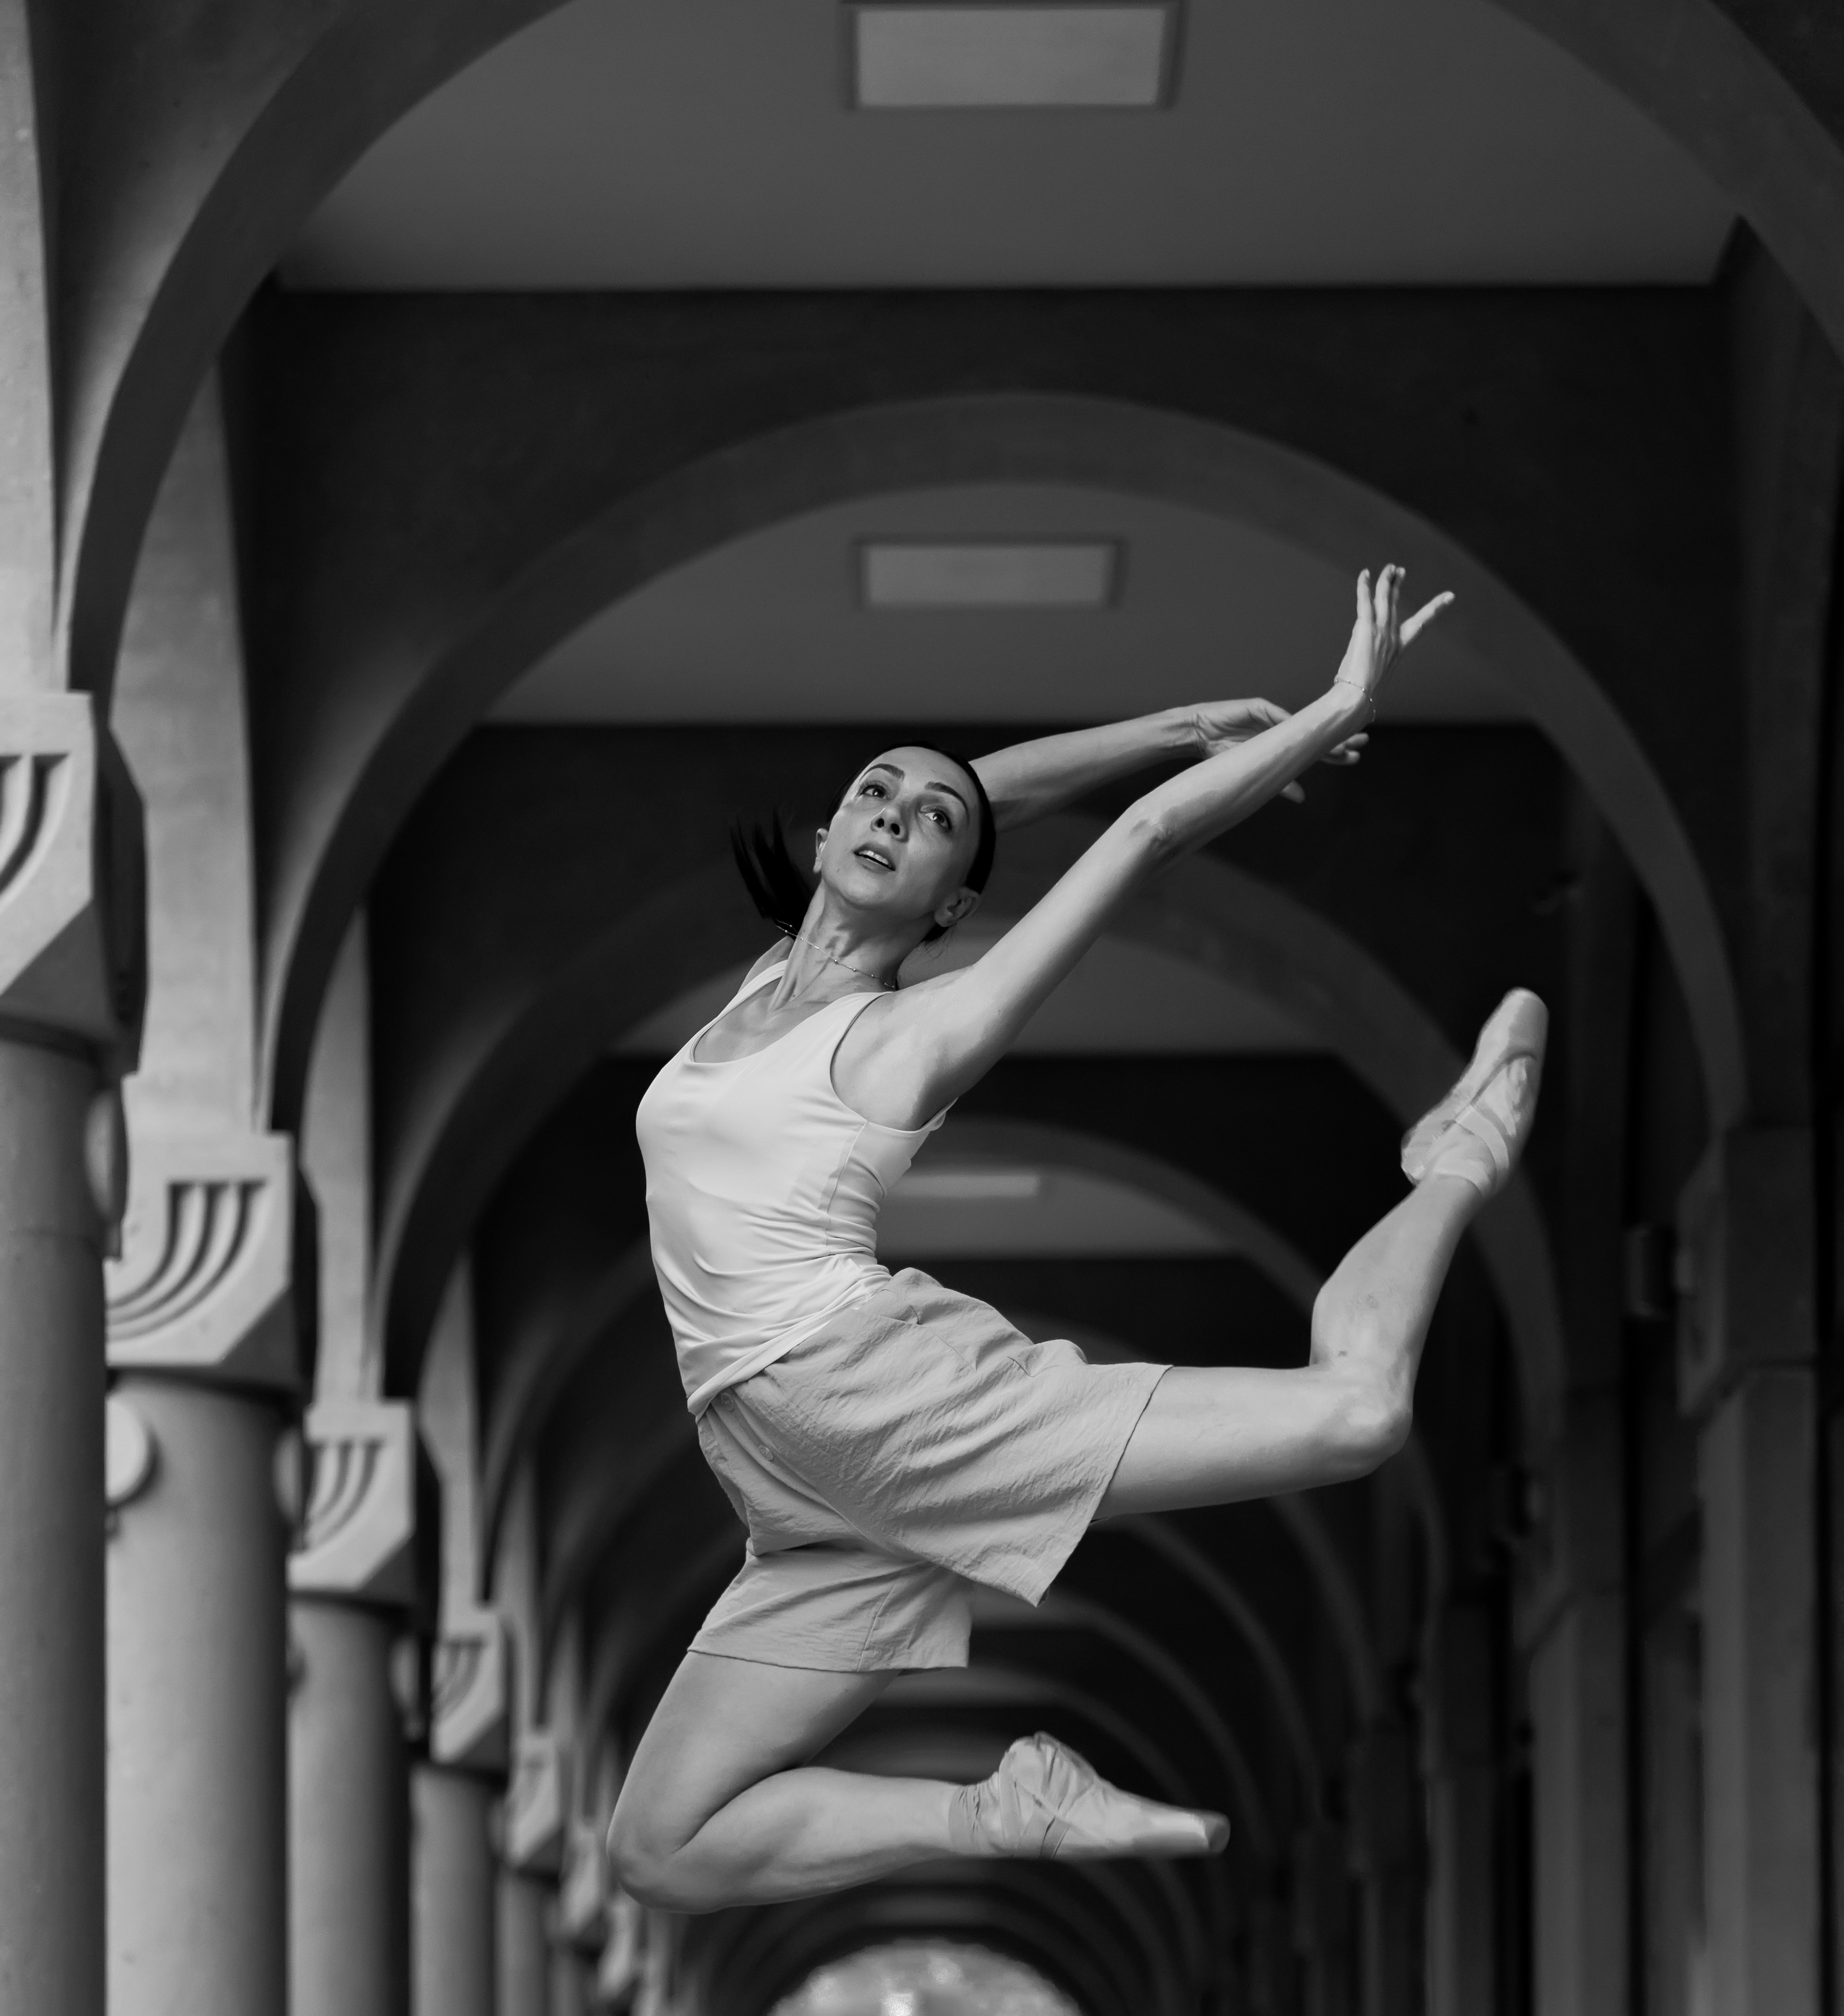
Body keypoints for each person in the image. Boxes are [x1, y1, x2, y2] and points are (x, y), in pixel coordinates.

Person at [607, 568, 1545, 1910]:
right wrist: (1167, 723)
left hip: (872, 1399)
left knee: (1357, 1415)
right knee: (660, 1849)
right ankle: (1001, 1812)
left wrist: (1332, 705)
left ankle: (1454, 1162)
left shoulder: (909, 1037)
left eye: (931, 824)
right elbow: (994, 790)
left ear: (948, 907)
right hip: (782, 1478)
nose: (900, 815)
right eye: (876, 793)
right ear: (825, 836)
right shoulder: (763, 990)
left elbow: (1146, 839)